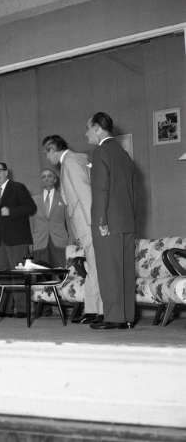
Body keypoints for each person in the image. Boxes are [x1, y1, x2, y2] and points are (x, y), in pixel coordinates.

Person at [43, 135, 103, 324]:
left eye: (47, 152)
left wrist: (93, 224)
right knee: (93, 267)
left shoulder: (71, 162)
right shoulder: (70, 162)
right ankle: (93, 310)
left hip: (88, 223)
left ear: (53, 149)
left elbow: (85, 195)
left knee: (96, 267)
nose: (47, 157)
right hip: (83, 224)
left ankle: (100, 311)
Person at [86, 112, 136, 330]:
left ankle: (114, 318)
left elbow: (101, 191)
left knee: (109, 271)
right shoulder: (123, 153)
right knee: (125, 272)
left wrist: (101, 221)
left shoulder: (101, 151)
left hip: (108, 222)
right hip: (126, 221)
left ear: (98, 128)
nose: (86, 133)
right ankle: (127, 317)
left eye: (88, 128)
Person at [0, 161, 36, 317]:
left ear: (6, 172)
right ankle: (6, 309)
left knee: (18, 275)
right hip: (2, 241)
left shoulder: (18, 187)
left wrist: (10, 211)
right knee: (4, 275)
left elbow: (30, 207)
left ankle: (23, 309)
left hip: (18, 239)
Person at [30, 168, 68, 267]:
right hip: (39, 242)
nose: (46, 178)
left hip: (60, 241)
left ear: (55, 180)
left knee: (61, 271)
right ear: (41, 181)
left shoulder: (63, 197)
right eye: (43, 177)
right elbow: (30, 223)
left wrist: (71, 239)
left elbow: (69, 221)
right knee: (42, 273)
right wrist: (30, 242)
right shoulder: (33, 200)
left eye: (49, 176)